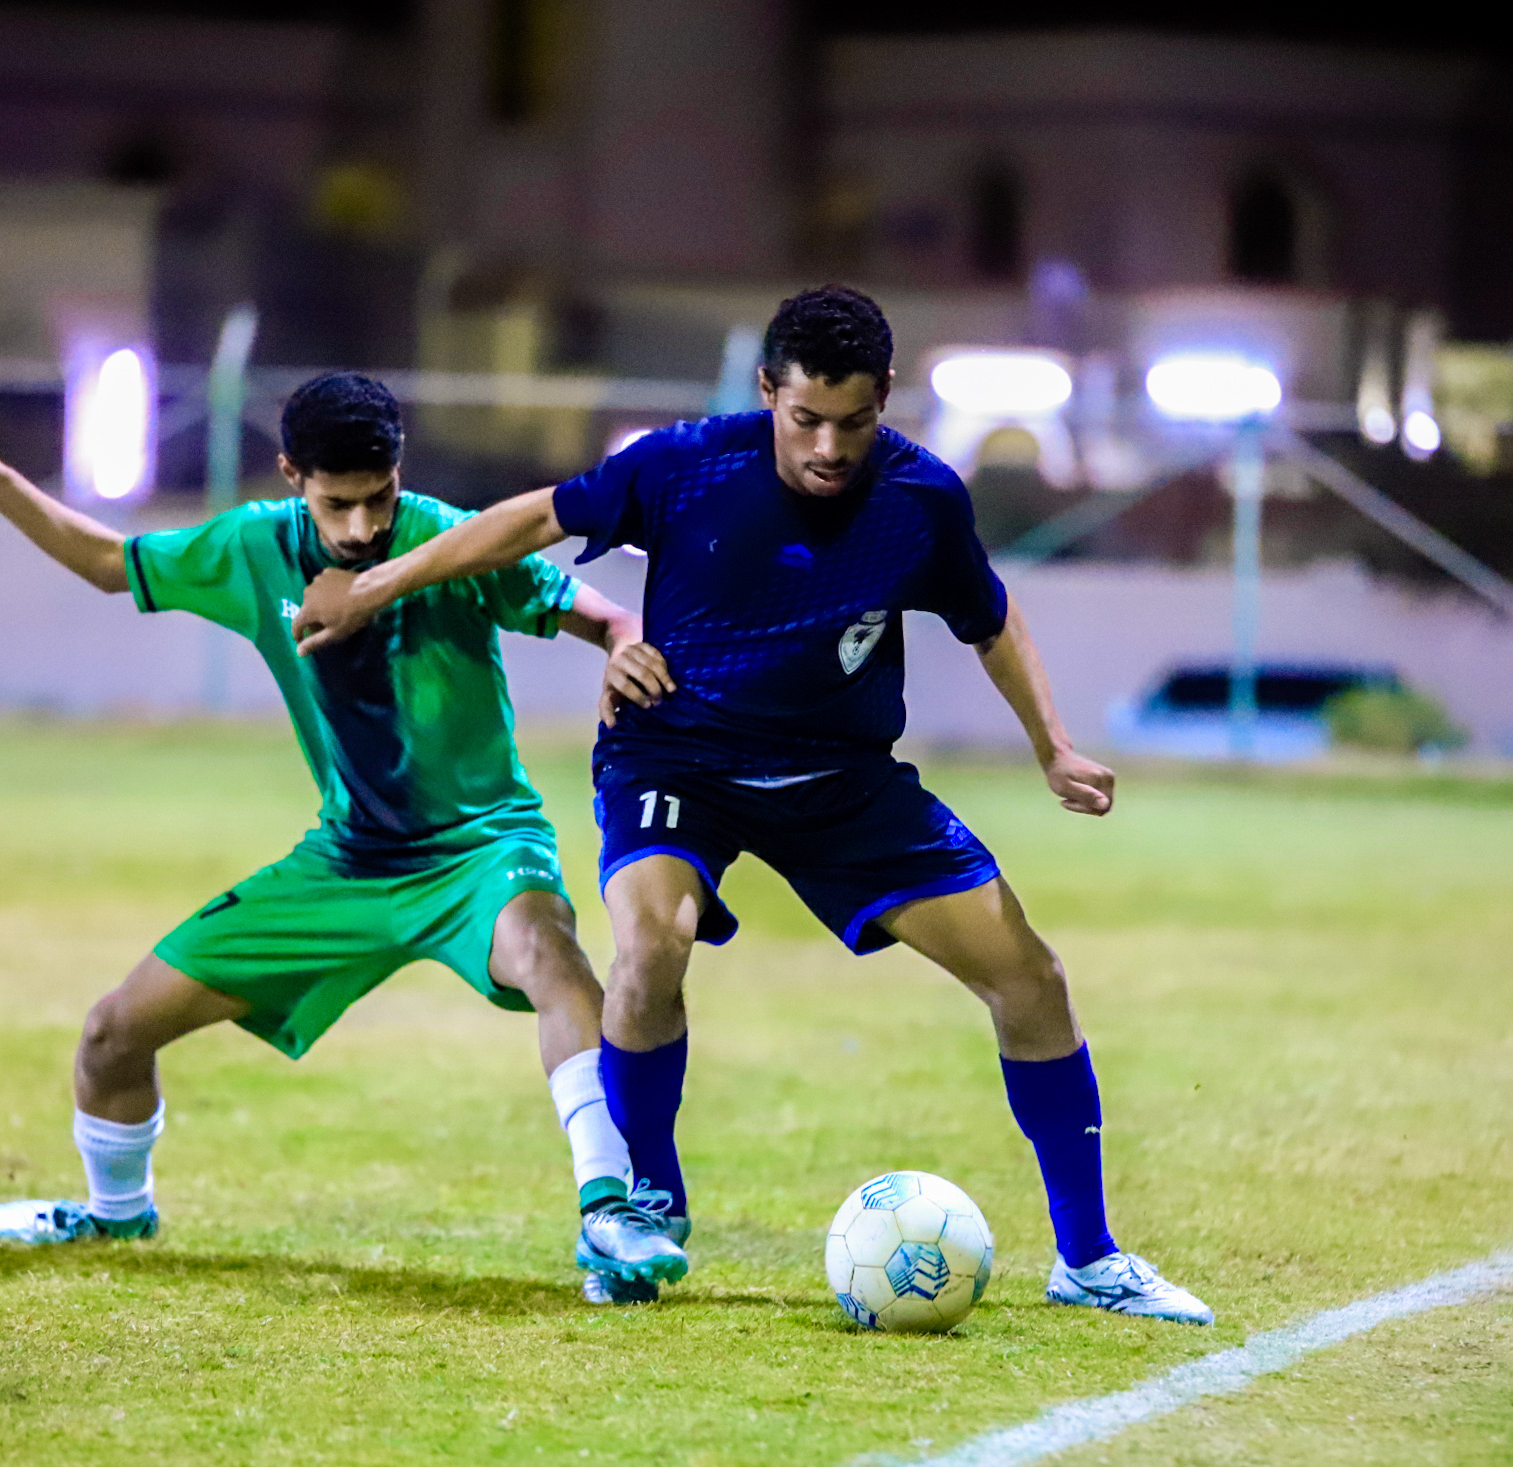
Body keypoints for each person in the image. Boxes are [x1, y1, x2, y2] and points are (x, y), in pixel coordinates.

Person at [291, 286, 1214, 1324]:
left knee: (1030, 979)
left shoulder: (921, 498)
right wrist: (374, 586)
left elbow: (990, 622)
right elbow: (534, 518)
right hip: (676, 757)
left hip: (842, 778)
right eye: (806, 418)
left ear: (885, 398)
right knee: (651, 942)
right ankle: (643, 1208)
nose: (828, 447)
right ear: (768, 389)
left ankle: (1089, 1257)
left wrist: (1053, 747)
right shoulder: (685, 464)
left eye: (853, 422)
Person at [0, 365, 687, 1300]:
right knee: (113, 1033)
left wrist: (624, 648)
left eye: (379, 498)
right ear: (291, 476)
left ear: (400, 472)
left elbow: (604, 615)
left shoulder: (449, 542)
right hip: (346, 862)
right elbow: (112, 564)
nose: (361, 528)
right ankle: (117, 1212)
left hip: (481, 849)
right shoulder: (253, 548)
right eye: (337, 504)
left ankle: (610, 1212)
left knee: (553, 960)